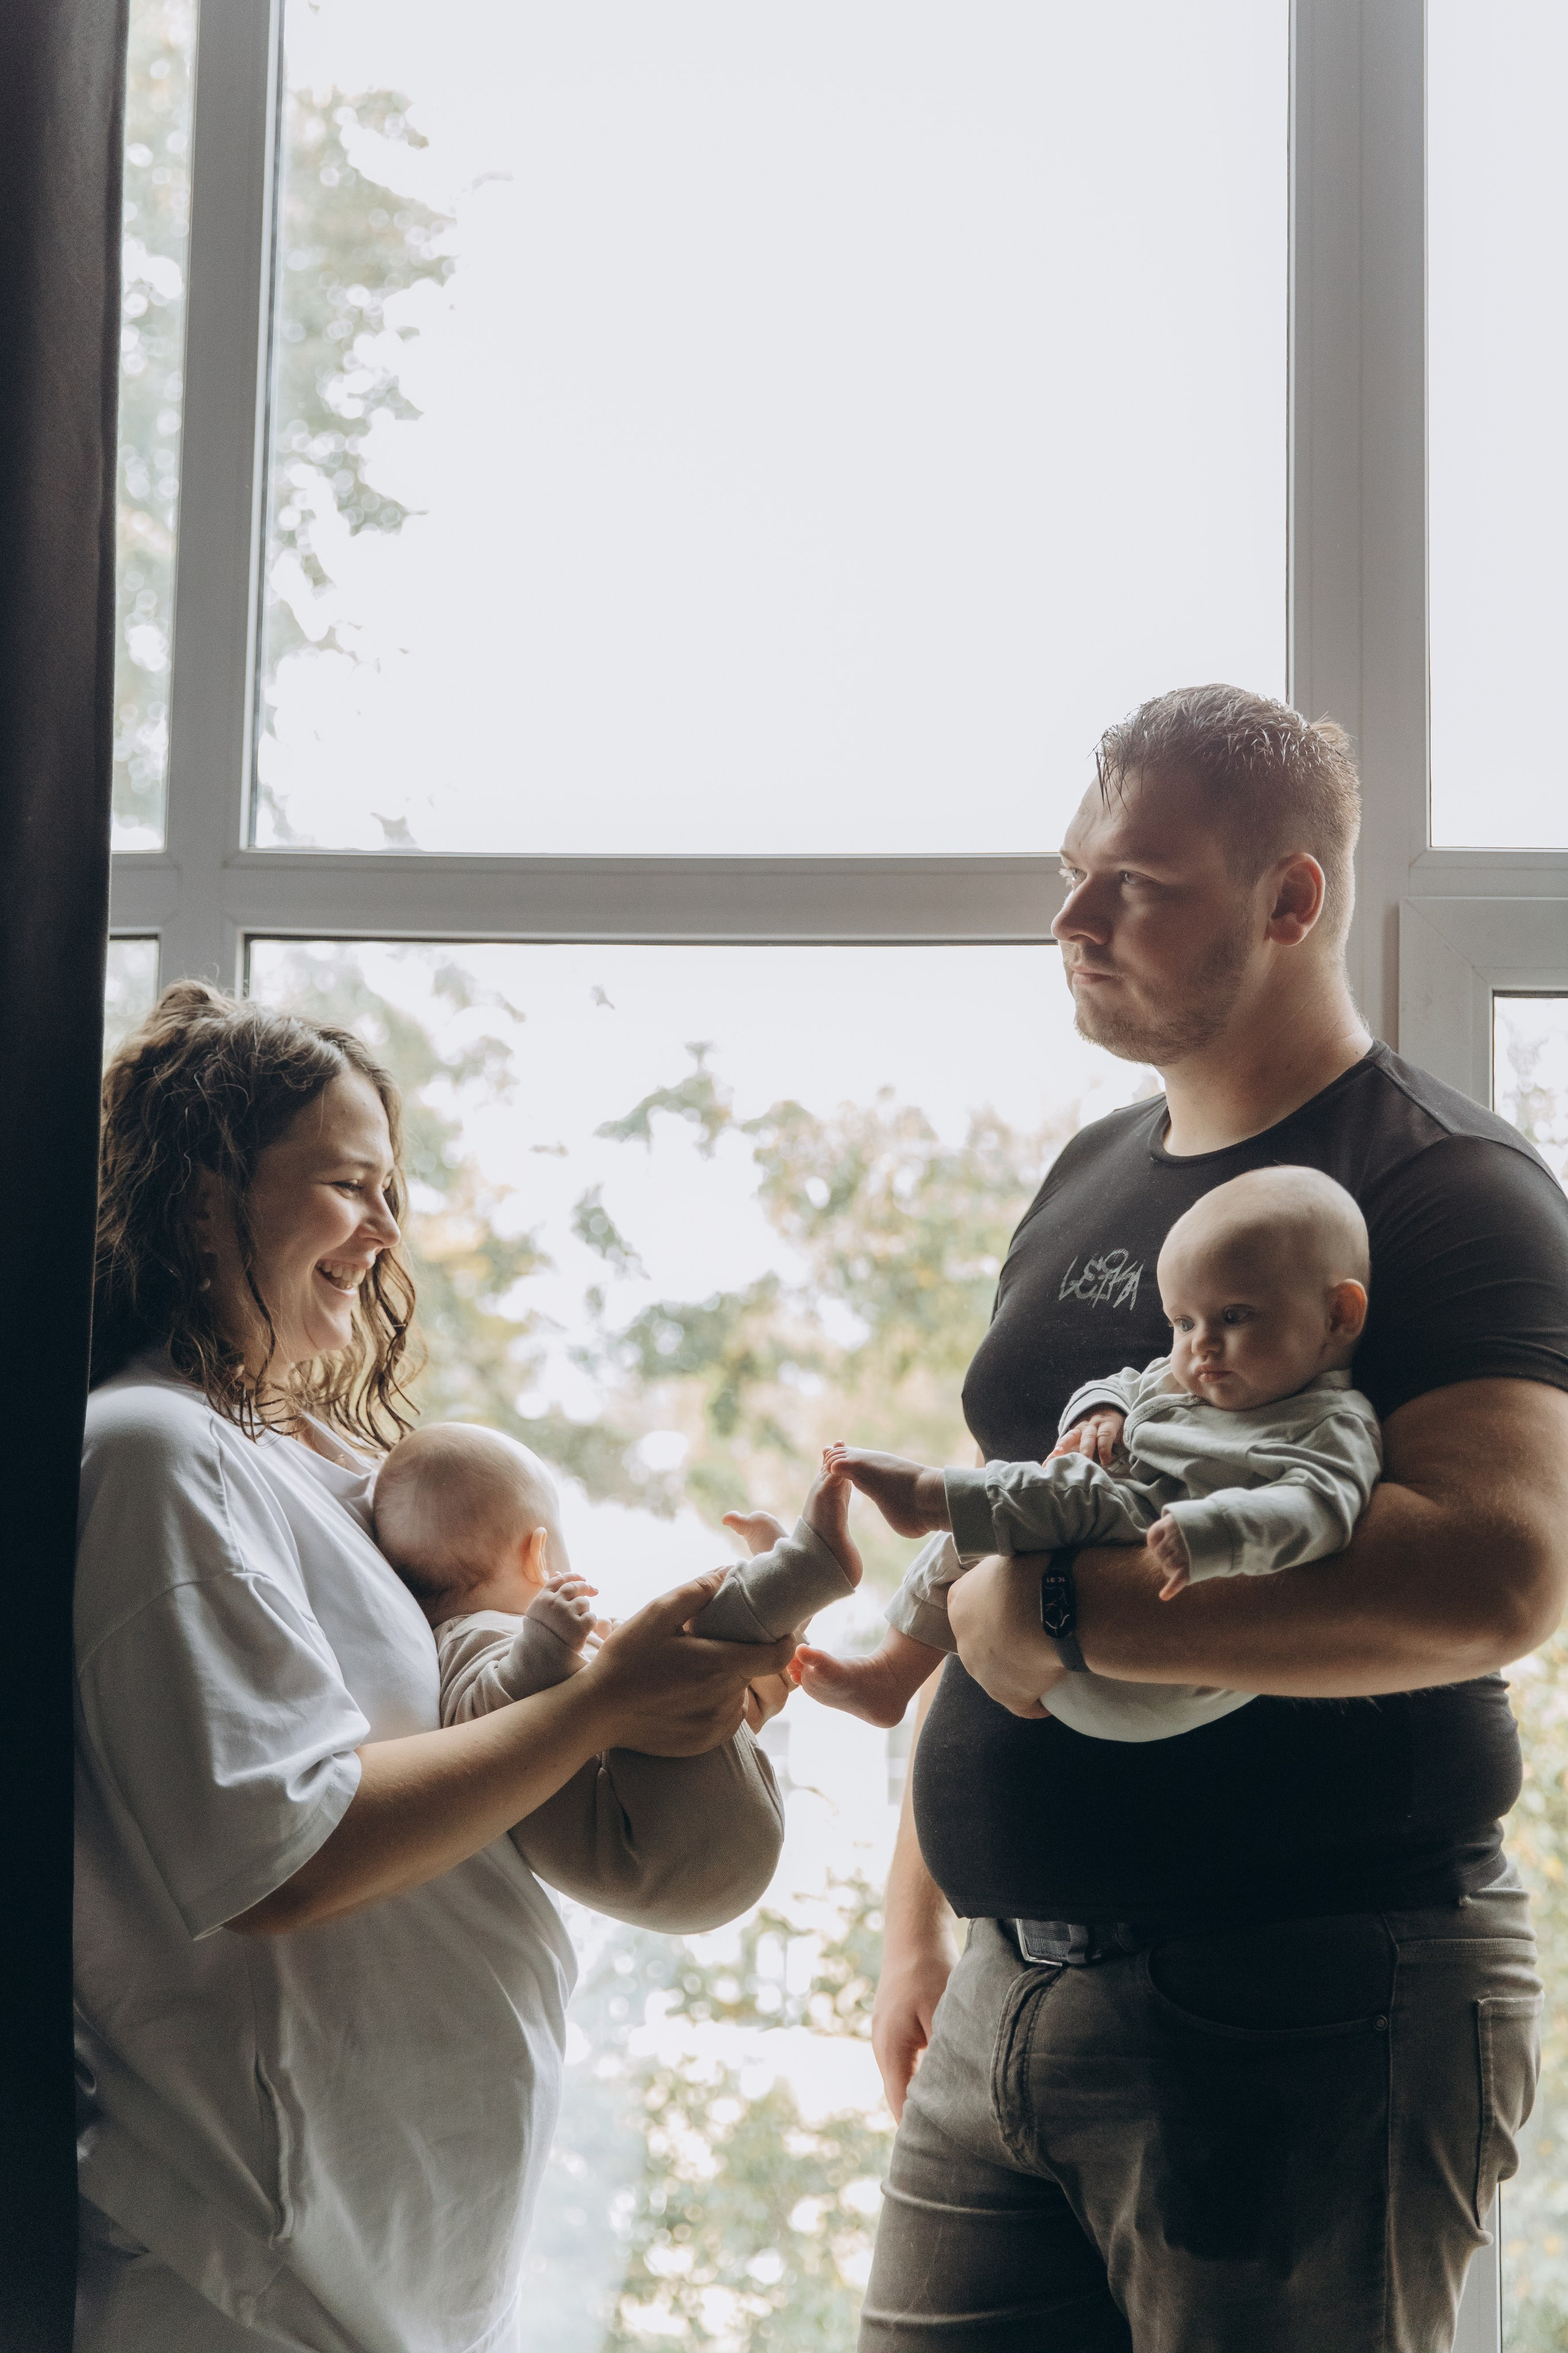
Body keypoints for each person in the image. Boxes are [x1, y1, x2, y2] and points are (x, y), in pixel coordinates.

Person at [857, 685, 1568, 2353]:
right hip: (1002, 1993)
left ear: (1289, 897)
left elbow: (1499, 1570)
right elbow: (1002, 1536)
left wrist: (1074, 1617)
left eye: (1135, 884)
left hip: (1304, 1998)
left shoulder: (1445, 1186)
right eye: (1070, 875)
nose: (1071, 920)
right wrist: (917, 1926)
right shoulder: (1084, 1178)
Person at [73, 983, 799, 2353]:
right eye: (346, 1185)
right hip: (250, 2275)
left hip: (400, 2260)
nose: (387, 1230)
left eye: (389, 1188)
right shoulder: (152, 1455)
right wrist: (604, 1705)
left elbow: (475, 1738)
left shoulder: (332, 1471)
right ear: (200, 1200)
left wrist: (673, 1698)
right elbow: (283, 1862)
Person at [799, 1165, 1381, 1742]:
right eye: (1182, 1322)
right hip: (1066, 1637)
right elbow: (1123, 1382)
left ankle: (929, 1494)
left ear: (1339, 1314)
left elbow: (1322, 1507)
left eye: (1234, 1317)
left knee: (1072, 1494)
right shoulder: (1185, 1377)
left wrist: (1215, 1531)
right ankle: (891, 1673)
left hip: (1155, 1665)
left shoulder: (1330, 1422)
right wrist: (1101, 1411)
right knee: (986, 1524)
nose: (1200, 1344)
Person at [371, 1420, 860, 1923]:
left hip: (688, 1843)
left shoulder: (491, 1632)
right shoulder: (469, 1634)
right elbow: (479, 1718)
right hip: (641, 1839)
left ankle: (782, 1599)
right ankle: (798, 1570)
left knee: (682, 1655)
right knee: (687, 1641)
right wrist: (545, 1644)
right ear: (538, 1556)